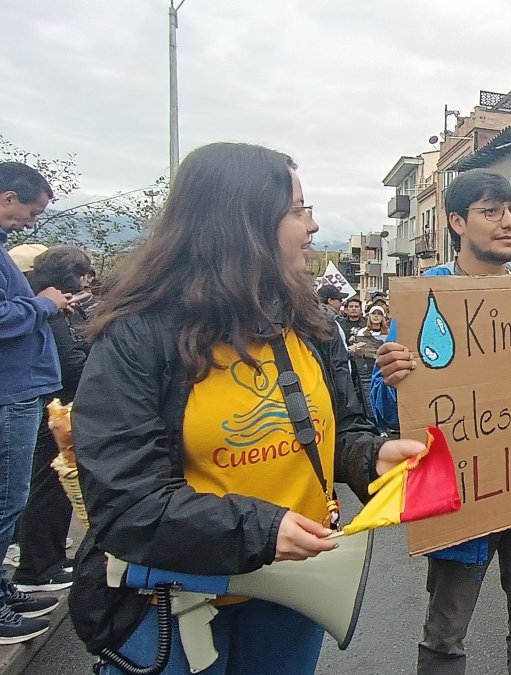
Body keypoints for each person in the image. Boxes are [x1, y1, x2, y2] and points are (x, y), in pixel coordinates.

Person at [71, 143, 424, 675]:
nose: (312, 225)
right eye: (298, 210)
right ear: (243, 222)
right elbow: (125, 502)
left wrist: (370, 456)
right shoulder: (139, 333)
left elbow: (340, 430)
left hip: (294, 594)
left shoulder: (313, 325)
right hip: (172, 602)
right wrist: (260, 531)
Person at [372, 168, 511, 675]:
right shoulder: (424, 300)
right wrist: (391, 378)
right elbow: (384, 411)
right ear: (457, 221)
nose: (508, 222)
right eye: (492, 211)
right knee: (446, 635)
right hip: (459, 496)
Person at [0, 162, 69, 643]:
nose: (31, 222)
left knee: (12, 498)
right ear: (7, 197)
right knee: (6, 501)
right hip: (9, 393)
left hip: (20, 390)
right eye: (30, 211)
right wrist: (44, 303)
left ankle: (3, 591)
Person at [14, 246, 94, 594]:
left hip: (54, 401)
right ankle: (38, 568)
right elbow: (70, 361)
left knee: (53, 487)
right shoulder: (46, 312)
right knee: (46, 485)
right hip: (54, 404)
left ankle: (51, 557)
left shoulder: (58, 309)